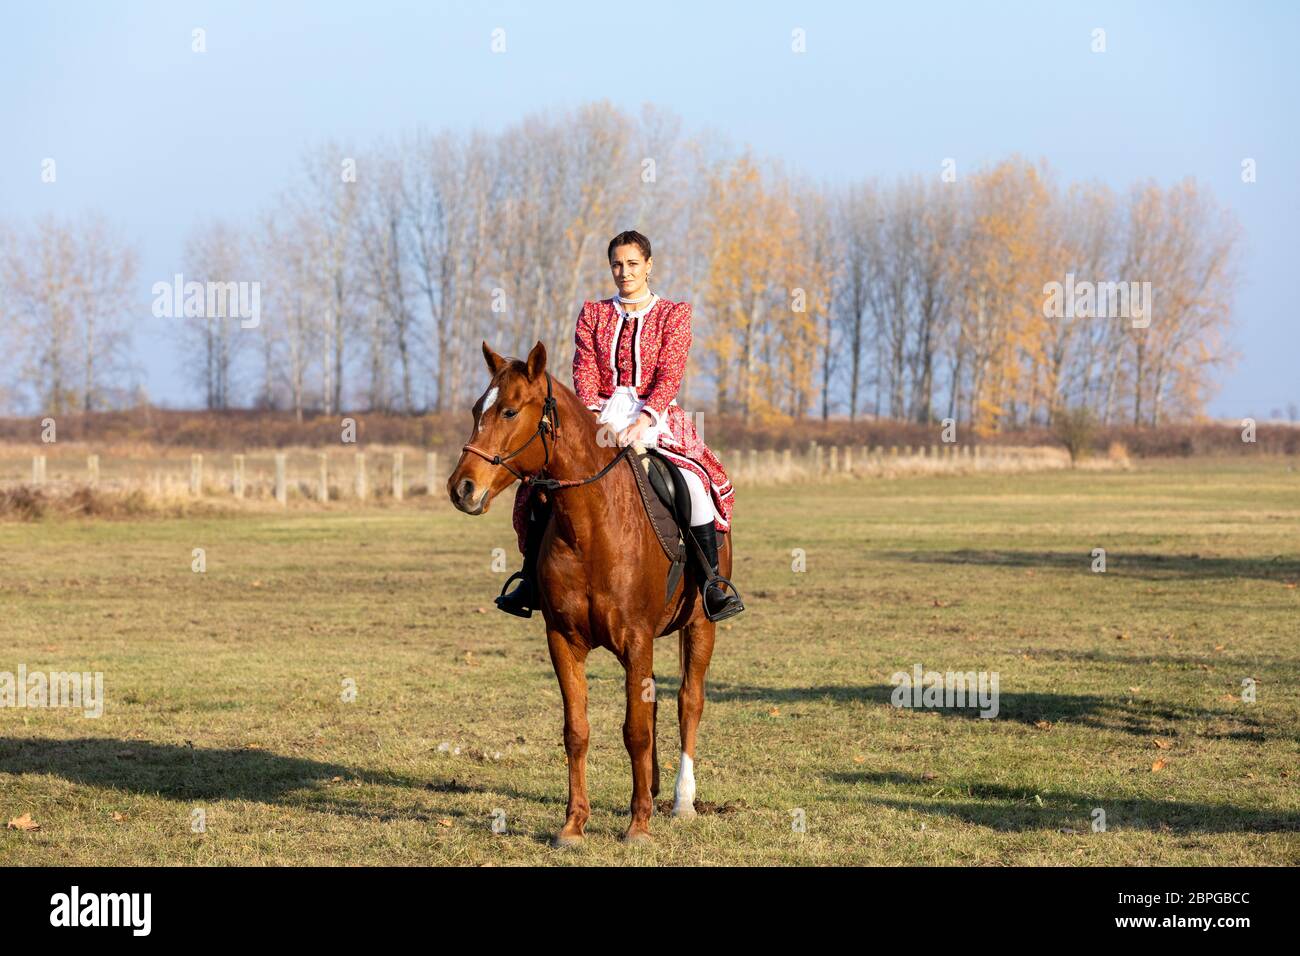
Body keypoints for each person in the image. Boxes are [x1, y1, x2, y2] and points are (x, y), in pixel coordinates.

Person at [496, 229, 742, 622]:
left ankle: (712, 583)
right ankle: (530, 579)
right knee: (539, 488)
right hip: (599, 418)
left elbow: (669, 374)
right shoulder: (593, 314)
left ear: (648, 266)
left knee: (694, 487)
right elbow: (584, 372)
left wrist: (644, 420)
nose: (623, 272)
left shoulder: (673, 315)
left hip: (656, 417)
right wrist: (599, 419)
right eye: (616, 264)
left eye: (631, 264)